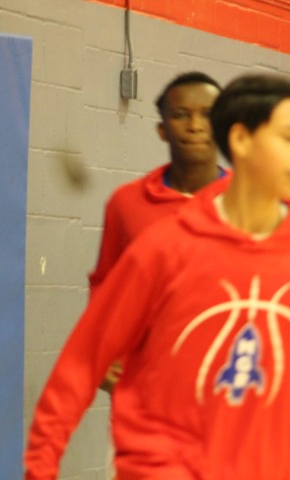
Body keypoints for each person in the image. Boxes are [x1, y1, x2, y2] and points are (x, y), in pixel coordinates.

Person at [25, 72, 290, 480]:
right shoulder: (167, 245)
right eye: (289, 138)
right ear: (240, 140)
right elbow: (81, 364)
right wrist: (40, 468)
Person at [88, 71, 226, 393]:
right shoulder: (126, 203)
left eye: (208, 115)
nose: (195, 125)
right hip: (146, 391)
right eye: (181, 115)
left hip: (227, 394)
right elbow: (106, 285)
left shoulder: (255, 203)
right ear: (163, 130)